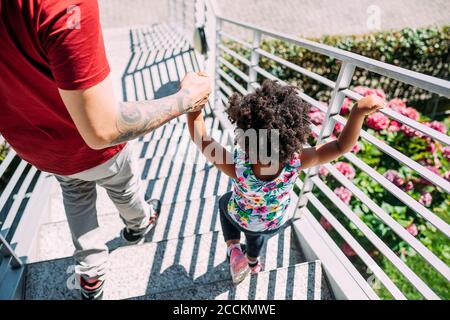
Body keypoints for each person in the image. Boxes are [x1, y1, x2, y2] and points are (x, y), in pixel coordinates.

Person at [0, 0, 211, 299]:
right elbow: (103, 130)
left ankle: (91, 272)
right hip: (98, 151)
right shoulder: (63, 7)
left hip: (41, 148)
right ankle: (139, 224)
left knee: (75, 197)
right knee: (124, 189)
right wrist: (186, 98)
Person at [187, 80, 385, 284]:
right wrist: (358, 112)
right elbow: (339, 146)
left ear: (246, 133)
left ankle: (234, 248)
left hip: (242, 217)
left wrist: (194, 104)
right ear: (293, 135)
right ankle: (253, 261)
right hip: (274, 221)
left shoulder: (237, 167)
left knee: (224, 203)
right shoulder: (296, 161)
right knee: (257, 235)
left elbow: (201, 138)